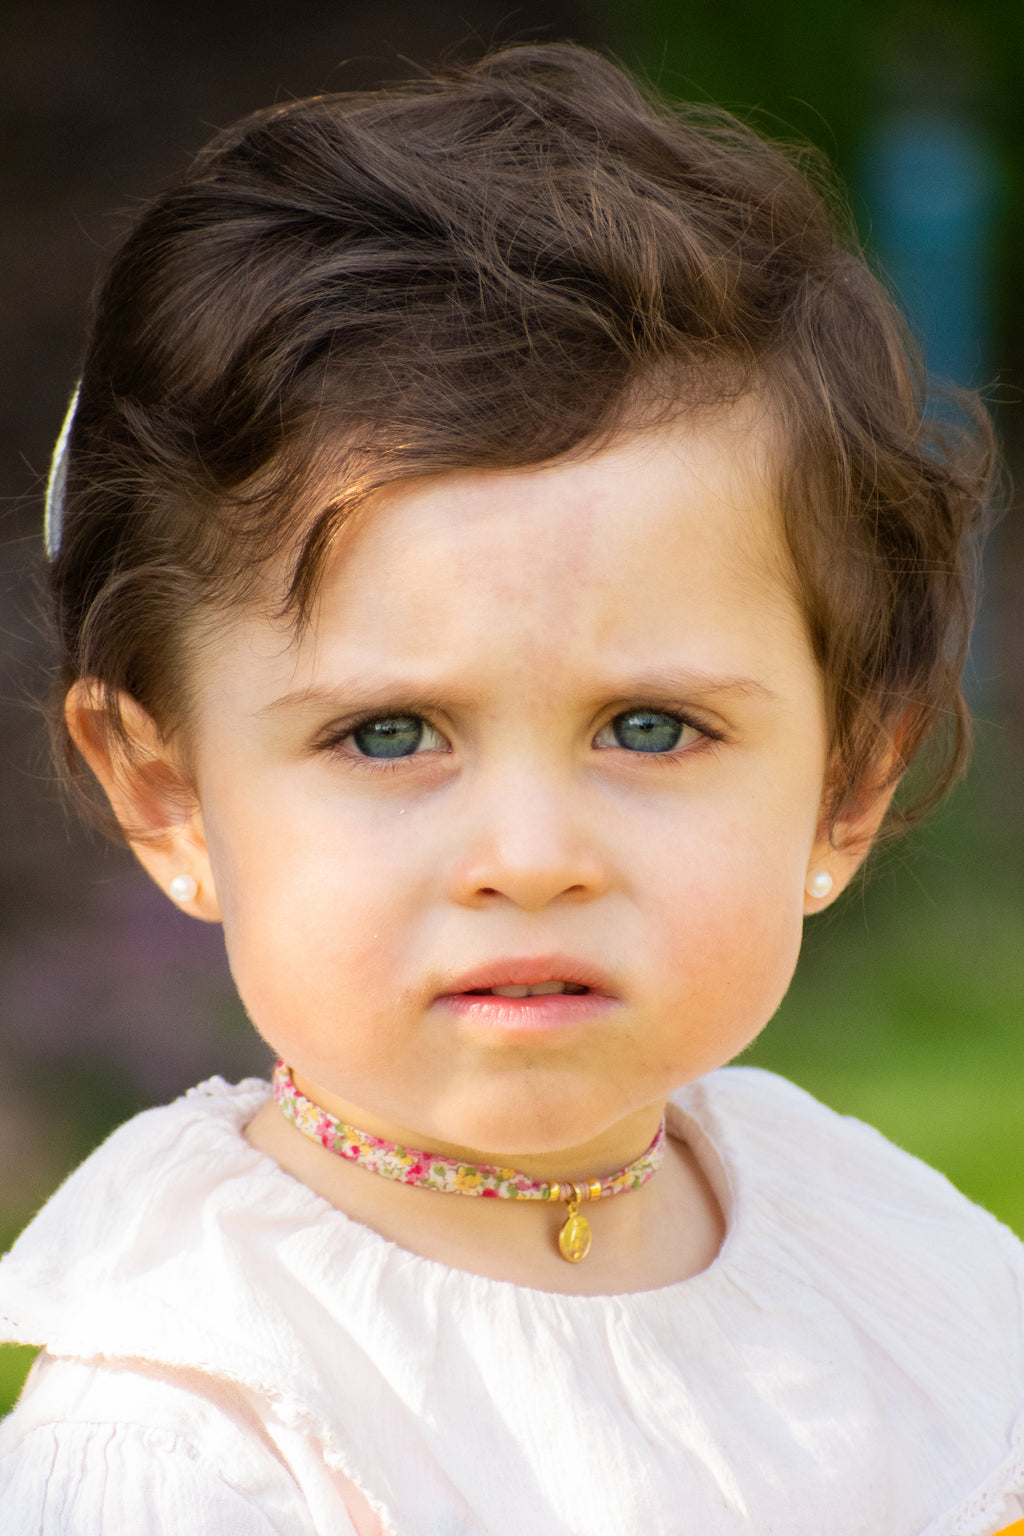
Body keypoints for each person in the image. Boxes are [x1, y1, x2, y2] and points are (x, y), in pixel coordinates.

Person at [0, 41, 1021, 1536]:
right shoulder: (199, 1438)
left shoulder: (877, 1243)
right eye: (392, 736)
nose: (531, 859)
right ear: (169, 796)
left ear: (846, 786)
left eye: (654, 728)